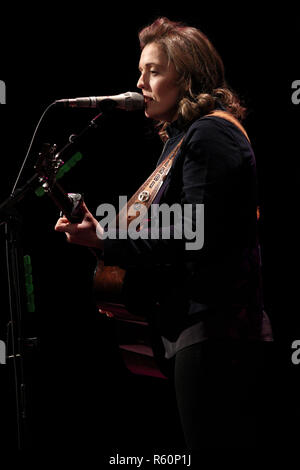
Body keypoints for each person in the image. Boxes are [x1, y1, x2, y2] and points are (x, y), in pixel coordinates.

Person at [55, 17, 274, 449]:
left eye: (153, 71)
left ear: (187, 77)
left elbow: (194, 231)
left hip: (218, 332)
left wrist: (107, 240)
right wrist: (102, 232)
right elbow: (172, 228)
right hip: (196, 330)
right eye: (141, 71)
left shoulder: (212, 132)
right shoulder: (181, 139)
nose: (139, 82)